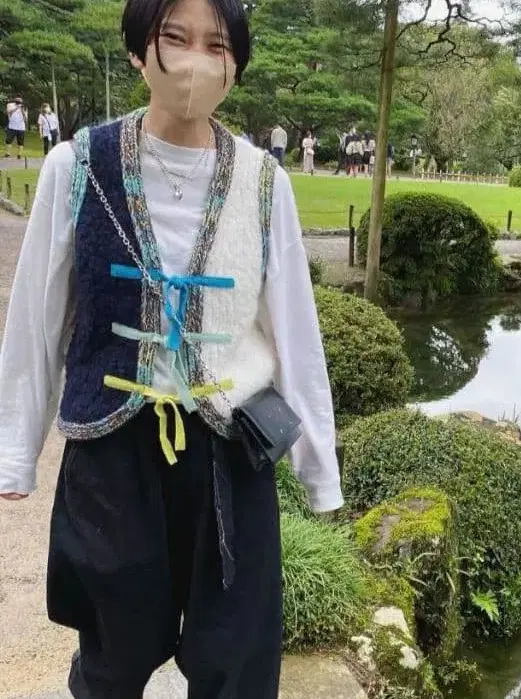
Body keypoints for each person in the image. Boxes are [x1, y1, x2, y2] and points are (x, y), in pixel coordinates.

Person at [0, 1, 343, 698]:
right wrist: (15, 450)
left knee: (238, 658)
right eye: (175, 37)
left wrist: (318, 469)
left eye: (217, 45)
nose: (195, 62)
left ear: (235, 64)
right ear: (139, 50)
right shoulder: (76, 166)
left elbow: (294, 330)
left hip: (231, 451)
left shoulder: (264, 182)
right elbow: (36, 315)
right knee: (113, 654)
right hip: (111, 450)